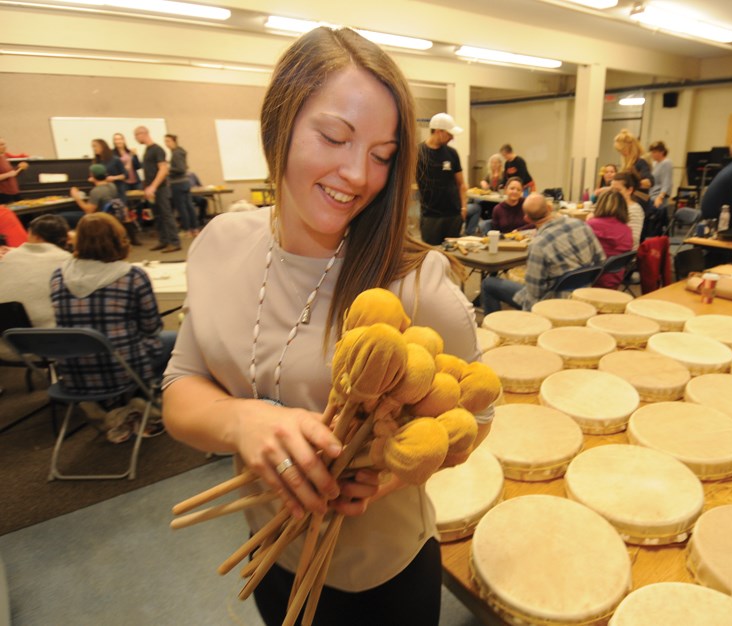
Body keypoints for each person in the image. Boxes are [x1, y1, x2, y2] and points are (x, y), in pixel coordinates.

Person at [161, 27, 491, 626]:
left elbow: (476, 413)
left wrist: (389, 475)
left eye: (382, 155)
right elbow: (181, 386)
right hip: (269, 554)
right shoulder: (219, 243)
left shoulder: (416, 282)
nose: (359, 175)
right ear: (279, 124)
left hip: (381, 577)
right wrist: (243, 421)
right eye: (334, 137)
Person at [50, 212, 174, 441]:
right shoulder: (133, 276)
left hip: (74, 372)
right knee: (175, 340)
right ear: (120, 239)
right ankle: (144, 400)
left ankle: (114, 407)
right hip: (123, 370)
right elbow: (151, 327)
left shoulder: (58, 275)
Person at [480, 193, 605, 314]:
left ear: (527, 219)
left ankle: (493, 330)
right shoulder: (581, 225)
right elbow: (601, 260)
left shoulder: (539, 245)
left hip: (552, 303)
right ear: (550, 208)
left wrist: (528, 320)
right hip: (584, 294)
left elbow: (534, 293)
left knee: (488, 283)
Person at [0, 214, 71, 344]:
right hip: (51, 343)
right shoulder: (68, 261)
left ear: (35, 236)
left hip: (5, 344)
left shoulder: (8, 257)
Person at [416, 112, 468, 245]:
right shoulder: (418, 153)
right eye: (449, 134)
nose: (452, 138)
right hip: (431, 216)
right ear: (438, 131)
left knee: (453, 256)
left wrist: (463, 208)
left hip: (453, 215)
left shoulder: (452, 153)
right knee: (431, 256)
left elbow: (461, 184)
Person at [134, 125, 181, 253]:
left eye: (136, 135)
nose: (136, 138)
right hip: (151, 190)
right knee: (158, 216)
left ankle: (174, 242)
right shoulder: (147, 151)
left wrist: (153, 187)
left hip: (160, 189)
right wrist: (147, 188)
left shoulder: (157, 150)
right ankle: (163, 241)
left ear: (143, 134)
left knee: (166, 215)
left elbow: (163, 169)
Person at [614, 129, 659, 238]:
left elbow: (649, 182)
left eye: (622, 150)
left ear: (629, 148)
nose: (621, 153)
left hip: (640, 203)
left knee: (636, 236)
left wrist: (632, 184)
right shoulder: (629, 163)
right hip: (633, 202)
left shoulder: (640, 162)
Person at [586, 189, 633, 289]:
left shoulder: (591, 225)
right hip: (615, 280)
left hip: (592, 280)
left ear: (600, 205)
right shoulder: (627, 230)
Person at [63, 163, 119, 229]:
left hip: (98, 219)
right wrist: (94, 180)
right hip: (109, 217)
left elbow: (88, 212)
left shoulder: (96, 191)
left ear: (92, 175)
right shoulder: (112, 186)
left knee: (62, 216)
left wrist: (76, 196)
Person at [164, 134, 199, 236]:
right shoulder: (179, 152)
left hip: (178, 184)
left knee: (182, 208)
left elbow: (181, 169)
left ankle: (187, 229)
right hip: (184, 183)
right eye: (165, 141)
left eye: (168, 141)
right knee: (189, 206)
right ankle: (195, 228)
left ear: (174, 141)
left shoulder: (176, 154)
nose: (166, 143)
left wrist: (167, 169)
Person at [464, 153, 503, 235]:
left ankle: (473, 228)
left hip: (498, 200)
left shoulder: (504, 175)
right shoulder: (489, 174)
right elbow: (484, 182)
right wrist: (483, 183)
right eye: (492, 163)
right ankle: (471, 228)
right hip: (489, 199)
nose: (494, 165)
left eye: (496, 163)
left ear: (500, 164)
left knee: (477, 204)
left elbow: (502, 189)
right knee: (475, 201)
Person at [611, 171, 644, 249]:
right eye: (612, 190)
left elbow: (633, 240)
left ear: (629, 190)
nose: (613, 194)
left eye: (618, 190)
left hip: (624, 255)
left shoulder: (634, 210)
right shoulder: (615, 206)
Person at [92, 138, 128, 202]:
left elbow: (126, 175)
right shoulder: (96, 161)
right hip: (104, 191)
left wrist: (114, 178)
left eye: (95, 146)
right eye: (92, 146)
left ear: (102, 146)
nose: (94, 148)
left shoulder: (115, 159)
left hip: (117, 189)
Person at [0, 138, 28, 205]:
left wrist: (20, 167)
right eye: (1, 144)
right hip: (4, 194)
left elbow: (12, 173)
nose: (4, 146)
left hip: (14, 191)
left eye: (4, 144)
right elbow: (10, 174)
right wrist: (8, 174)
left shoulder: (4, 156)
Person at [648, 141, 673, 213]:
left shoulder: (666, 163)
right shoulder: (654, 163)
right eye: (652, 152)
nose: (652, 154)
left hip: (658, 197)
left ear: (662, 152)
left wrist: (660, 197)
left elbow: (667, 182)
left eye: (654, 152)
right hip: (651, 195)